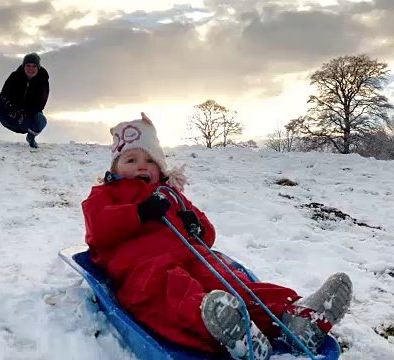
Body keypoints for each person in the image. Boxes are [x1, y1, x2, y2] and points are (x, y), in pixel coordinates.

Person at [80, 113, 354, 360]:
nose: (142, 167)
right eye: (131, 160)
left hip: (190, 253)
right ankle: (226, 329)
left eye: (150, 160)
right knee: (173, 289)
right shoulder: (106, 195)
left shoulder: (171, 194)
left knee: (228, 281)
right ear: (114, 167)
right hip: (143, 264)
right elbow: (98, 228)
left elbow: (207, 235)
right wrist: (138, 213)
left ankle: (293, 317)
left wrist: (195, 224)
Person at [0, 53, 49, 148]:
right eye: (28, 65)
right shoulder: (14, 76)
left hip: (26, 122)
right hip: (9, 116)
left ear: (38, 67)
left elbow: (40, 104)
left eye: (34, 66)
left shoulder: (43, 82)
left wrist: (24, 112)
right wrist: (9, 106)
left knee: (41, 119)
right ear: (23, 66)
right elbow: (3, 95)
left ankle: (31, 138)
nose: (31, 69)